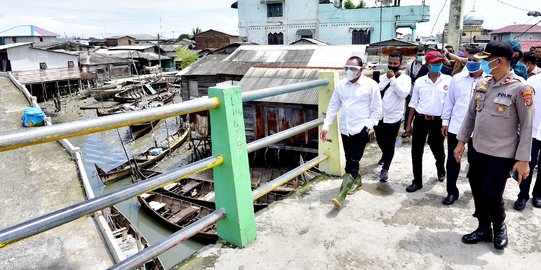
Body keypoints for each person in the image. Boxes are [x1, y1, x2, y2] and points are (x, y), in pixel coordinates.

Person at [455, 41, 534, 250]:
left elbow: (527, 127)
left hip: (502, 152)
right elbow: (470, 115)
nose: (485, 64)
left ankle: (499, 225)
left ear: (498, 61)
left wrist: (524, 159)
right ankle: (483, 227)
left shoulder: (521, 88)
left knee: (491, 193)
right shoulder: (483, 84)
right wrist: (461, 141)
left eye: (487, 60)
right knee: (478, 190)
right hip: (478, 149)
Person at [320, 56, 383, 208]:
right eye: (346, 68)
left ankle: (341, 195)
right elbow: (333, 106)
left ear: (361, 69)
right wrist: (326, 126)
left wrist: (367, 127)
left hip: (360, 129)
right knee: (350, 159)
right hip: (345, 129)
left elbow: (377, 110)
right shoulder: (341, 85)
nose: (349, 71)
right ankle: (357, 181)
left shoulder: (371, 85)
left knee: (352, 163)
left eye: (353, 69)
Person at [440, 47, 485, 205]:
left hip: (479, 130)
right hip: (456, 127)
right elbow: (449, 102)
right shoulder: (457, 79)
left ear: (483, 61)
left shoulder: (489, 80)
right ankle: (452, 191)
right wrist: (445, 122)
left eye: (476, 61)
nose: (472, 63)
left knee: (476, 163)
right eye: (470, 60)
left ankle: (476, 191)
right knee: (453, 161)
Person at [405, 51, 452, 192]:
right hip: (421, 120)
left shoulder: (448, 81)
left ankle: (440, 168)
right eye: (434, 63)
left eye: (439, 63)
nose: (437, 65)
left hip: (438, 122)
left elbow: (450, 104)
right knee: (416, 152)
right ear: (428, 64)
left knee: (437, 149)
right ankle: (417, 181)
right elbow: (413, 104)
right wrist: (408, 124)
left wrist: (446, 123)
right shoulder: (419, 82)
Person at [374, 51, 411, 182]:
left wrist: (393, 80)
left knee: (390, 144)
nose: (392, 65)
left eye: (395, 63)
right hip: (379, 116)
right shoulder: (383, 77)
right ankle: (385, 155)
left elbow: (403, 95)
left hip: (393, 117)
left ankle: (385, 169)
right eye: (390, 63)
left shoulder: (405, 79)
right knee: (379, 140)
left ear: (401, 64)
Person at [514, 72, 541, 211]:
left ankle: (538, 194)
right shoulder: (533, 81)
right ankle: (522, 195)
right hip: (532, 129)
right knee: (527, 163)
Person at [402, 47, 429, 138]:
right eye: (419, 55)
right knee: (408, 110)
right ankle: (407, 128)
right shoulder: (409, 65)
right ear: (415, 55)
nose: (421, 56)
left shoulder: (427, 65)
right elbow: (406, 78)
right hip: (411, 91)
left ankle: (421, 131)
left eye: (423, 55)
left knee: (420, 112)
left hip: (422, 92)